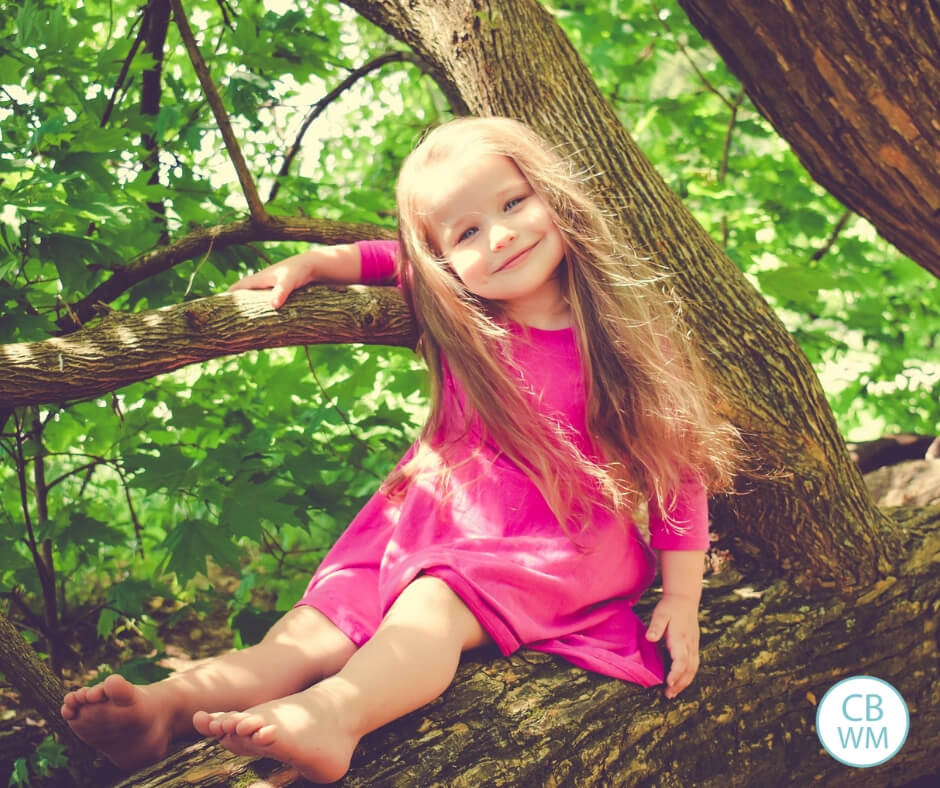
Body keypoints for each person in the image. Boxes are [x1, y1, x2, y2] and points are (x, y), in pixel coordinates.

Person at [61, 117, 739, 783]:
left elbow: (674, 470)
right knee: (311, 628)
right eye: (467, 232)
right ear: (444, 262)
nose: (500, 236)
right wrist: (318, 262)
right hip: (423, 522)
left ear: (553, 194)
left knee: (431, 607)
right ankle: (166, 709)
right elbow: (392, 257)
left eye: (513, 203)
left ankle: (337, 716)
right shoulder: (461, 313)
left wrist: (681, 596)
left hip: (552, 543)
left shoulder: (623, 333)